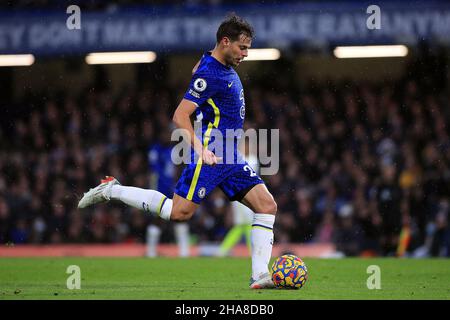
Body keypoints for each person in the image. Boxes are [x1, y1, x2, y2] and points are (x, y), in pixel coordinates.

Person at [78, 14, 278, 289]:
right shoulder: (210, 74)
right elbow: (180, 116)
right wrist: (201, 150)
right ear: (225, 41)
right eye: (242, 48)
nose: (245, 54)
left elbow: (203, 63)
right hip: (213, 152)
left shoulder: (212, 63)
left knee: (267, 206)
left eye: (248, 49)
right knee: (179, 213)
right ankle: (112, 190)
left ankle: (259, 276)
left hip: (230, 154)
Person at [146, 127, 190, 258]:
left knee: (180, 216)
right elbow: (153, 172)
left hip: (174, 188)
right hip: (160, 188)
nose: (168, 136)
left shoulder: (175, 150)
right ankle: (151, 251)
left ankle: (184, 252)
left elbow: (179, 169)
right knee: (158, 219)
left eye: (169, 134)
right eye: (165, 133)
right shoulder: (155, 150)